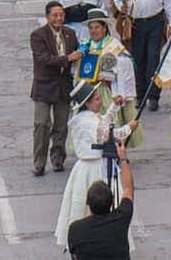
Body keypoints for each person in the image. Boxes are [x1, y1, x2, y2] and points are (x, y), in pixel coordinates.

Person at [116, 0, 171, 114]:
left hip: (155, 23)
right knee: (137, 60)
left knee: (153, 60)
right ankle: (140, 95)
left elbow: (169, 2)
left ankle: (153, 97)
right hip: (135, 25)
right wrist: (121, 7)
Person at [53, 79, 113, 245]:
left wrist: (114, 108)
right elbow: (105, 135)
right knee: (89, 207)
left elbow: (104, 125)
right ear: (87, 104)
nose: (101, 101)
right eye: (97, 99)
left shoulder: (91, 117)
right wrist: (129, 127)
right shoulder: (87, 122)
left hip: (93, 166)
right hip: (92, 168)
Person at [31, 0, 76, 176]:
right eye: (55, 15)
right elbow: (45, 59)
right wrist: (68, 58)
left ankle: (58, 158)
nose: (59, 18)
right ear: (47, 17)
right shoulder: (37, 35)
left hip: (63, 87)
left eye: (61, 15)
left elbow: (77, 56)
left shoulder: (70, 34)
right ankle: (39, 162)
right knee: (42, 124)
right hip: (44, 87)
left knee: (61, 125)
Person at [65, 150, 134, 260]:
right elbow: (128, 189)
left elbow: (74, 256)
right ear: (112, 201)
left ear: (87, 202)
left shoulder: (75, 229)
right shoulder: (121, 218)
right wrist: (123, 158)